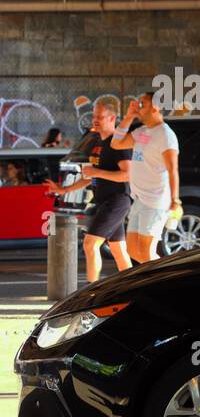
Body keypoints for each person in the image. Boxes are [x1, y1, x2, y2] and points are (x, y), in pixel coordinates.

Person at [44, 97, 132, 282]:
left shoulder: (119, 144)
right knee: (118, 249)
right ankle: (133, 286)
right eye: (94, 116)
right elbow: (90, 176)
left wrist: (97, 172)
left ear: (112, 118)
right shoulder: (98, 144)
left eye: (100, 116)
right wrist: (63, 190)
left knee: (90, 244)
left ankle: (91, 291)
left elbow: (127, 175)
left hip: (117, 200)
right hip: (103, 200)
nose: (95, 120)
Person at [111, 94, 180, 264]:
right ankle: (159, 279)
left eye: (143, 104)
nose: (138, 106)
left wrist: (175, 200)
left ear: (155, 107)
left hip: (156, 201)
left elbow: (173, 169)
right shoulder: (142, 132)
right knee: (133, 250)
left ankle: (168, 281)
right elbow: (116, 143)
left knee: (147, 251)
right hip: (140, 199)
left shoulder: (165, 134)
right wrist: (128, 117)